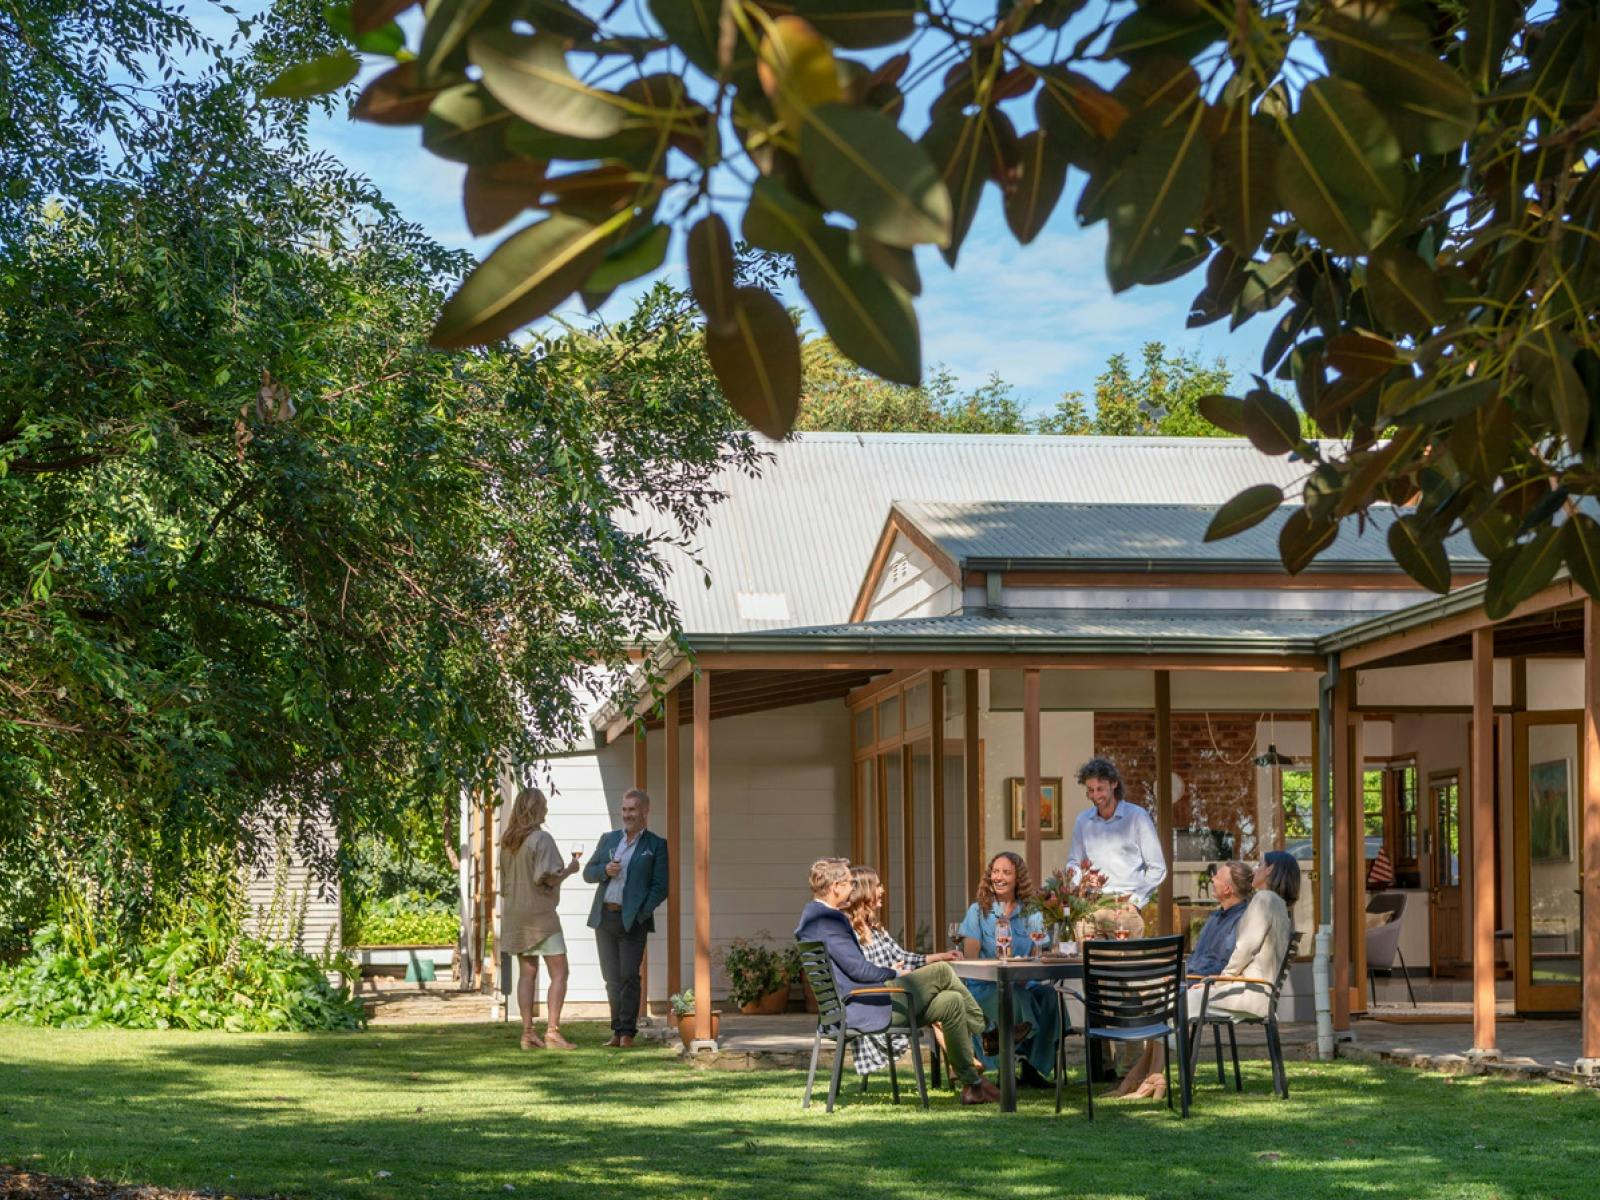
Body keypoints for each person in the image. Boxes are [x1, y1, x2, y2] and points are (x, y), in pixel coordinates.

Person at [795, 858, 998, 1106]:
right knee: (943, 971)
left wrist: (894, 971)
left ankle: (972, 1087)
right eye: (849, 883)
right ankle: (988, 1031)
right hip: (866, 1005)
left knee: (952, 1001)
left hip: (864, 1002)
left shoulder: (814, 917)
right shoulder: (829, 920)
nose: (852, 888)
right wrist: (894, 973)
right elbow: (859, 969)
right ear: (836, 886)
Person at [1111, 860, 1254, 1099]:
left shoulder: (1239, 920)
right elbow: (1199, 956)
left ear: (1228, 888)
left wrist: (1198, 979)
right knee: (1151, 991)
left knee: (1168, 998)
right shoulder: (1217, 916)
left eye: (1217, 877)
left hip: (1207, 985)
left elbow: (1225, 962)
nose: (1212, 880)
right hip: (1190, 978)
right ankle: (1142, 1076)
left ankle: (1150, 1077)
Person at [841, 865, 961, 1078]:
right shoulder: (849, 932)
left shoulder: (875, 928)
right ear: (864, 892)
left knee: (946, 998)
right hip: (880, 1002)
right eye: (878, 885)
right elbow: (861, 972)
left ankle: (959, 1066)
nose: (883, 890)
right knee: (941, 979)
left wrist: (940, 956)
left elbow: (903, 957)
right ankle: (984, 1035)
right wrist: (891, 971)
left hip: (898, 993)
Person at [955, 851, 1061, 1086]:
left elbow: (1039, 952)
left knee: (1049, 996)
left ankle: (1033, 1067)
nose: (999, 877)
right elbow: (970, 961)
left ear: (1018, 878)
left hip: (1022, 981)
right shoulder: (978, 911)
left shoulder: (1031, 911)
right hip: (985, 986)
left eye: (1006, 872)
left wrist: (1025, 967)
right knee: (1016, 997)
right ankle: (1005, 1067)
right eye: (995, 871)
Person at [583, 787, 669, 1047]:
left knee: (629, 975)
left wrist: (642, 912)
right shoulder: (609, 839)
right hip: (605, 917)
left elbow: (660, 887)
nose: (627, 814)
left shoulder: (655, 845)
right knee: (611, 977)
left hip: (633, 920)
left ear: (644, 811)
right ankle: (616, 1030)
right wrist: (604, 871)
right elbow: (588, 872)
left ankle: (628, 1033)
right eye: (624, 809)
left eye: (632, 809)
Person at [499, 786, 582, 1050]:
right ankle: (553, 1032)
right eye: (544, 804)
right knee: (560, 972)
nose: (547, 809)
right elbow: (546, 876)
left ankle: (527, 1033)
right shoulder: (540, 839)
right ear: (535, 808)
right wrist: (570, 869)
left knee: (527, 973)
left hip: (515, 913)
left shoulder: (509, 842)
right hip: (540, 916)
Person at [1068, 757, 1167, 935]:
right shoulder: (1083, 821)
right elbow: (1074, 863)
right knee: (1085, 961)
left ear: (1114, 784)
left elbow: (1158, 867)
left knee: (1125, 962)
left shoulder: (1137, 817)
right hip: (1091, 906)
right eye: (1090, 790)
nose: (1095, 795)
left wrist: (1136, 901)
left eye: (1100, 789)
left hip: (1125, 907)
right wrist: (1078, 890)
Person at [1202, 849, 1301, 1020]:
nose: (1255, 870)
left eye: (1260, 864)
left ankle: (1176, 1047)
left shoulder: (1264, 899)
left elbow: (1245, 949)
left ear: (1270, 870)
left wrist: (1220, 981)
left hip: (1245, 997)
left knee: (1176, 1000)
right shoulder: (1281, 907)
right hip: (1257, 994)